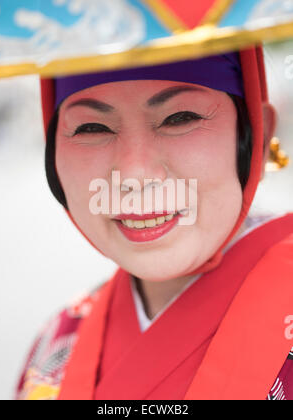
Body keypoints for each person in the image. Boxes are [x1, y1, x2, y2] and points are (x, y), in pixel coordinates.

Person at [15, 45, 293, 400]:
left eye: (180, 118)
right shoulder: (57, 342)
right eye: (91, 126)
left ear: (256, 131)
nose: (134, 175)